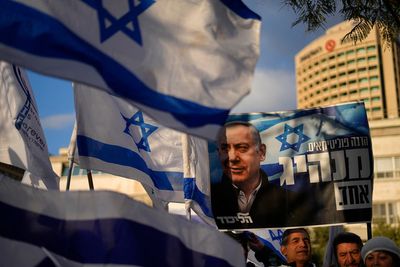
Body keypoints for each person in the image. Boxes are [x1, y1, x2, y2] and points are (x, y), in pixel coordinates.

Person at [211, 121, 299, 229]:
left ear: (261, 152)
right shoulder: (207, 200)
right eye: (225, 149)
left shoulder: (292, 202)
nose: (232, 157)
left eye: (242, 148)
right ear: (218, 153)